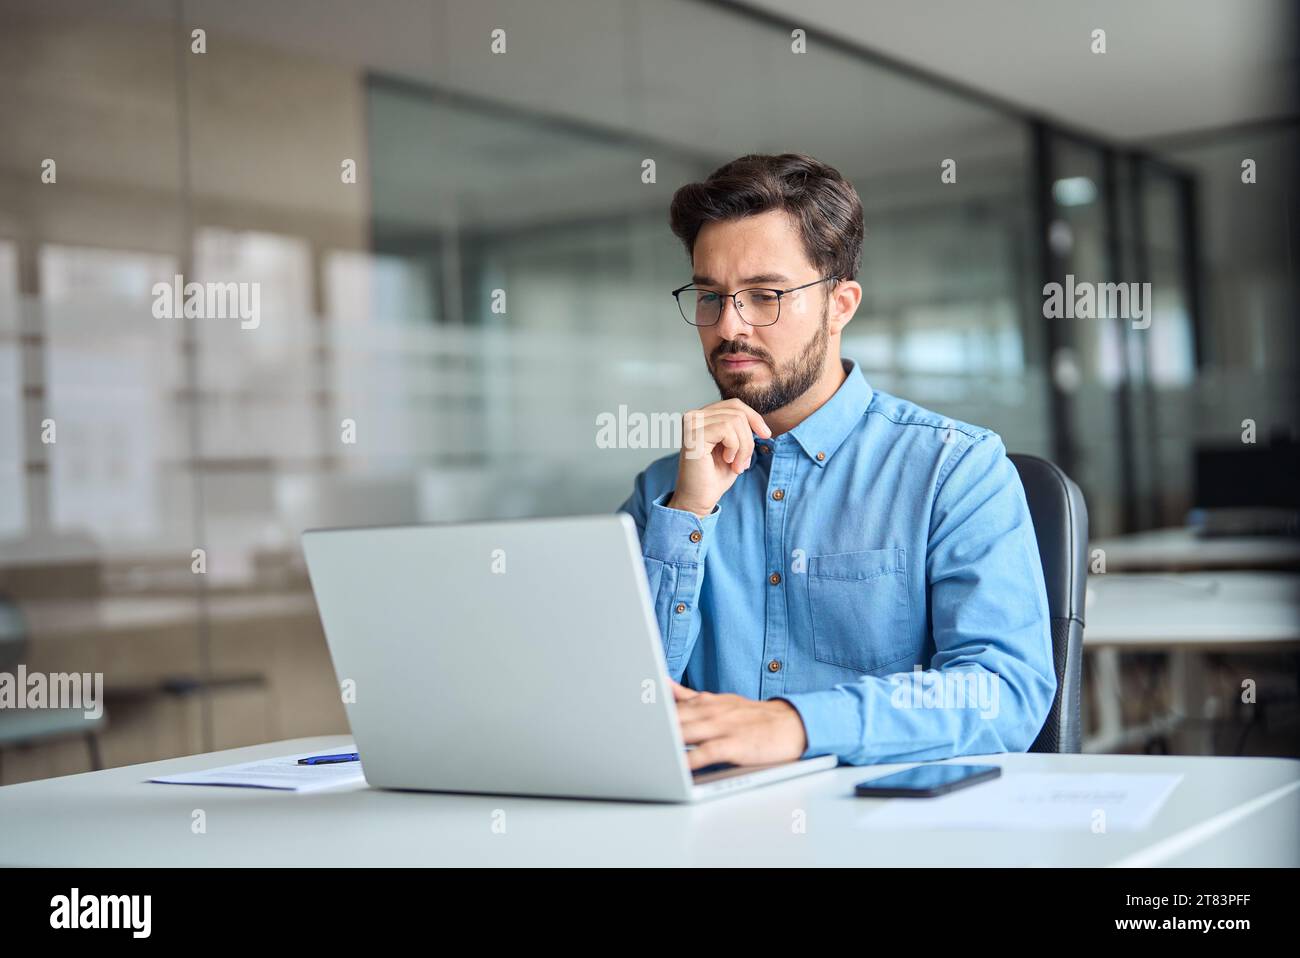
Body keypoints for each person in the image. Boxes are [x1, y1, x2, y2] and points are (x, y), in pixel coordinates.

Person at [619, 153, 1056, 768]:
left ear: (841, 305)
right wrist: (687, 514)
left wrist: (795, 725)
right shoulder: (665, 490)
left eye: (764, 294)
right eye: (710, 296)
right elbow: (619, 697)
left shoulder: (955, 468)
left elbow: (1003, 691)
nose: (729, 326)